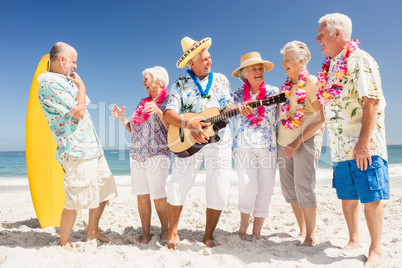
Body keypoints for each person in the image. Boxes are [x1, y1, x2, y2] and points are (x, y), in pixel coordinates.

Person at [164, 36, 252, 250]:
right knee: (177, 184)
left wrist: (237, 108)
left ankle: (208, 235)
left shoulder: (221, 79)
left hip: (219, 140)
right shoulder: (179, 83)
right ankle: (173, 232)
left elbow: (227, 106)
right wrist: (188, 124)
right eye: (204, 59)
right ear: (191, 63)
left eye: (209, 57)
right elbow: (168, 113)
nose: (209, 62)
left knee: (219, 188)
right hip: (188, 142)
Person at [316, 13, 389, 267]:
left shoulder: (360, 59)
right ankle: (354, 239)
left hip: (363, 145)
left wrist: (364, 142)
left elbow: (372, 100)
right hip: (339, 148)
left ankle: (376, 249)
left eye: (321, 34)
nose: (318, 40)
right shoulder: (329, 66)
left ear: (337, 34)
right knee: (347, 196)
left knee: (371, 195)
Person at [38, 42, 118, 250]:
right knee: (75, 199)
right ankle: (64, 240)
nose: (75, 66)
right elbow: (79, 112)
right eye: (73, 61)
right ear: (62, 60)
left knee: (103, 190)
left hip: (92, 147)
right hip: (76, 149)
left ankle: (92, 231)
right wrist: (82, 87)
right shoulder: (49, 85)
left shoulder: (65, 82)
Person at [111, 66, 171, 244]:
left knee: (158, 195)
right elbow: (135, 130)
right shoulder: (141, 103)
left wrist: (160, 113)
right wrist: (122, 119)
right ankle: (146, 234)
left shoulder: (169, 101)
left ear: (159, 81)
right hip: (137, 154)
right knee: (142, 195)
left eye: (146, 79)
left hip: (157, 153)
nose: (142, 83)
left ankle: (166, 232)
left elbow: (173, 130)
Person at [277, 41, 325, 247]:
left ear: (301, 61)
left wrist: (297, 141)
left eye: (287, 59)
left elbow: (322, 117)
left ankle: (311, 235)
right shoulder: (287, 85)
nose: (283, 63)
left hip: (304, 141)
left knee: (304, 186)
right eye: (283, 60)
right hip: (283, 141)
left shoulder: (312, 82)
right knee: (289, 189)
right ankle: (302, 229)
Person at [231, 52, 280, 240]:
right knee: (247, 187)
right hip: (243, 146)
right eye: (254, 69)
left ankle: (257, 232)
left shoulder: (274, 92)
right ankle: (242, 230)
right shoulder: (235, 95)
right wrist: (237, 109)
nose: (259, 71)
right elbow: (226, 110)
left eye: (261, 68)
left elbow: (287, 113)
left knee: (266, 188)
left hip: (268, 146)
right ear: (244, 74)